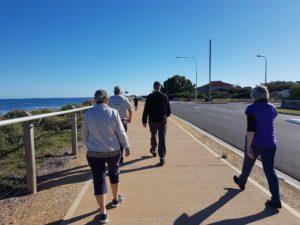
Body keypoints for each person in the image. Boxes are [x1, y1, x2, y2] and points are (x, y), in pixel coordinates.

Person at [82, 89, 131, 224]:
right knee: (114, 174)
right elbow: (120, 132)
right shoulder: (113, 113)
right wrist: (126, 146)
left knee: (99, 179)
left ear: (94, 100)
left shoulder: (88, 114)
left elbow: (84, 135)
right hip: (113, 151)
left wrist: (90, 146)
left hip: (94, 153)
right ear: (107, 100)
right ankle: (115, 200)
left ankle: (103, 213)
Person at [233, 85, 282, 208]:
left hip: (255, 143)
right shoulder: (272, 108)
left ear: (254, 96)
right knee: (270, 171)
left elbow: (251, 130)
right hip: (270, 143)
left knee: (248, 165)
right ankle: (276, 199)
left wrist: (249, 146)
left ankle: (241, 182)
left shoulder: (252, 109)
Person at [142, 81, 171, 166]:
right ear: (160, 87)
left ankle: (154, 149)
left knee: (153, 136)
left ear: (153, 87)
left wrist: (144, 120)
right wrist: (166, 115)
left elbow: (146, 109)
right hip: (162, 121)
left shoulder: (150, 97)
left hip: (152, 121)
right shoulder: (164, 96)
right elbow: (169, 111)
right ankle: (162, 158)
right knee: (162, 139)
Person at [108, 86, 132, 163]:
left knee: (112, 139)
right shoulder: (124, 99)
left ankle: (113, 156)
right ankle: (120, 157)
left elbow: (106, 108)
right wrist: (129, 119)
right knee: (122, 139)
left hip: (112, 122)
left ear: (114, 91)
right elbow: (130, 109)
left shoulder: (110, 98)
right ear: (120, 92)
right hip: (122, 121)